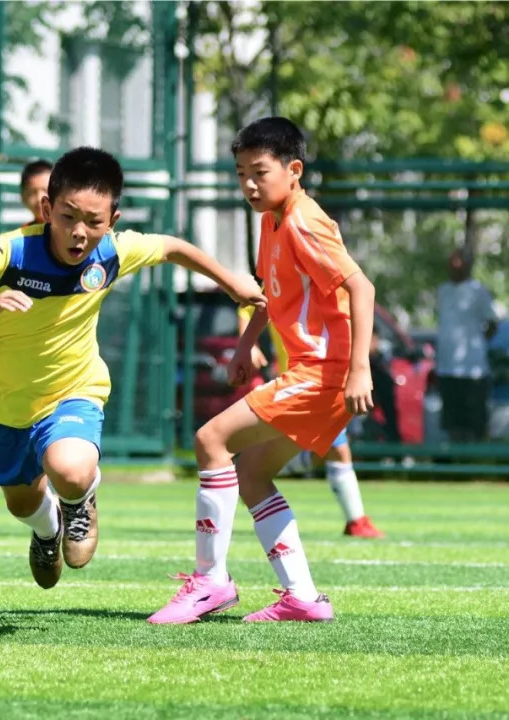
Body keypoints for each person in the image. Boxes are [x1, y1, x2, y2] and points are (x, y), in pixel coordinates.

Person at [0, 147, 264, 589]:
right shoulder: (13, 251)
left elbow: (173, 247)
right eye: (68, 217)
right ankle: (47, 531)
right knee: (20, 503)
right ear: (47, 209)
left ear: (113, 220)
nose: (79, 233)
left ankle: (79, 500)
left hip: (74, 389)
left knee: (69, 468)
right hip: (2, 401)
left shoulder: (111, 253)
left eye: (94, 221)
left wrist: (233, 282)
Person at [149, 117, 377, 624]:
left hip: (323, 373)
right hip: (319, 373)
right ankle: (303, 599)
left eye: (259, 172)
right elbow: (271, 295)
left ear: (293, 170)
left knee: (210, 440)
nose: (248, 184)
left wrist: (359, 367)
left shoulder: (302, 221)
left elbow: (362, 288)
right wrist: (244, 345)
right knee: (252, 475)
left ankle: (209, 583)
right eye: (240, 173)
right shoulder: (271, 219)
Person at [238, 306, 384, 538]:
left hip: (319, 381)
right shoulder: (281, 280)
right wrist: (249, 344)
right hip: (302, 383)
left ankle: (248, 477)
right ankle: (356, 522)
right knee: (338, 452)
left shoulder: (312, 284)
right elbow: (248, 308)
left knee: (324, 455)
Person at [435, 248, 497, 443]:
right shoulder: (442, 291)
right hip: (446, 366)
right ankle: (456, 462)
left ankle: (476, 461)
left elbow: (492, 323)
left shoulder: (478, 291)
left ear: (467, 265)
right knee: (452, 419)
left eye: (458, 261)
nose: (453, 266)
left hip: (473, 369)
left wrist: (477, 344)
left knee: (475, 419)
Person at [19, 159, 52, 226]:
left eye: (46, 190)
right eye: (32, 193)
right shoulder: (23, 233)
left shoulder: (74, 229)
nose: (39, 198)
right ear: (22, 197)